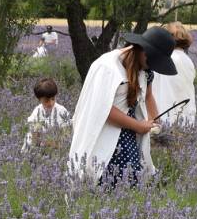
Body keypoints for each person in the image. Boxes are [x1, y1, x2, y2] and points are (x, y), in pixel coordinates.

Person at [68, 27, 176, 187]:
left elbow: (148, 96)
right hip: (106, 133)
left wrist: (155, 122)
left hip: (129, 134)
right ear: (143, 51)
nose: (150, 66)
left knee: (131, 181)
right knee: (109, 180)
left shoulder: (145, 70)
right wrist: (139, 126)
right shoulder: (107, 68)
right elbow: (103, 110)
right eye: (151, 61)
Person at [151, 22, 197, 126]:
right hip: (186, 117)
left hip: (165, 116)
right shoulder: (188, 60)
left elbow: (153, 89)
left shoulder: (166, 59)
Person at [22, 78, 71, 152]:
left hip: (59, 147)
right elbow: (35, 139)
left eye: (53, 99)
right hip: (39, 148)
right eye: (46, 100)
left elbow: (66, 135)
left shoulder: (62, 111)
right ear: (39, 99)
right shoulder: (37, 112)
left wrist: (53, 143)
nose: (51, 103)